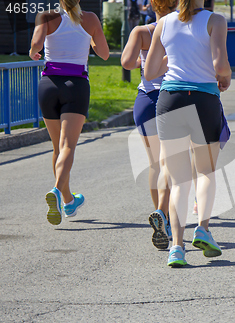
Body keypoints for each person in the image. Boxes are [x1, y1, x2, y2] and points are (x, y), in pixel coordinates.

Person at [145, 0, 231, 267]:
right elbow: (220, 65)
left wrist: (176, 59)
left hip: (170, 98)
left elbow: (149, 72)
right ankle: (202, 229)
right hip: (203, 98)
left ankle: (176, 248)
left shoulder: (163, 23)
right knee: (205, 172)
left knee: (178, 179)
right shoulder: (215, 21)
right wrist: (225, 77)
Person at [29, 0, 109, 225]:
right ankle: (56, 190)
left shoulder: (45, 17)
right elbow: (103, 54)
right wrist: (90, 38)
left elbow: (35, 46)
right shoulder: (90, 19)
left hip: (48, 85)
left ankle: (68, 200)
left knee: (57, 148)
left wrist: (33, 51)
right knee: (67, 147)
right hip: (76, 85)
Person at [121, 0, 177, 249]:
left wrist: (144, 63)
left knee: (155, 163)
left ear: (151, 6)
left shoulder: (141, 32)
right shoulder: (179, 28)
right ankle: (167, 216)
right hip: (174, 97)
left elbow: (125, 62)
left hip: (146, 99)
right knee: (174, 164)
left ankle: (159, 213)